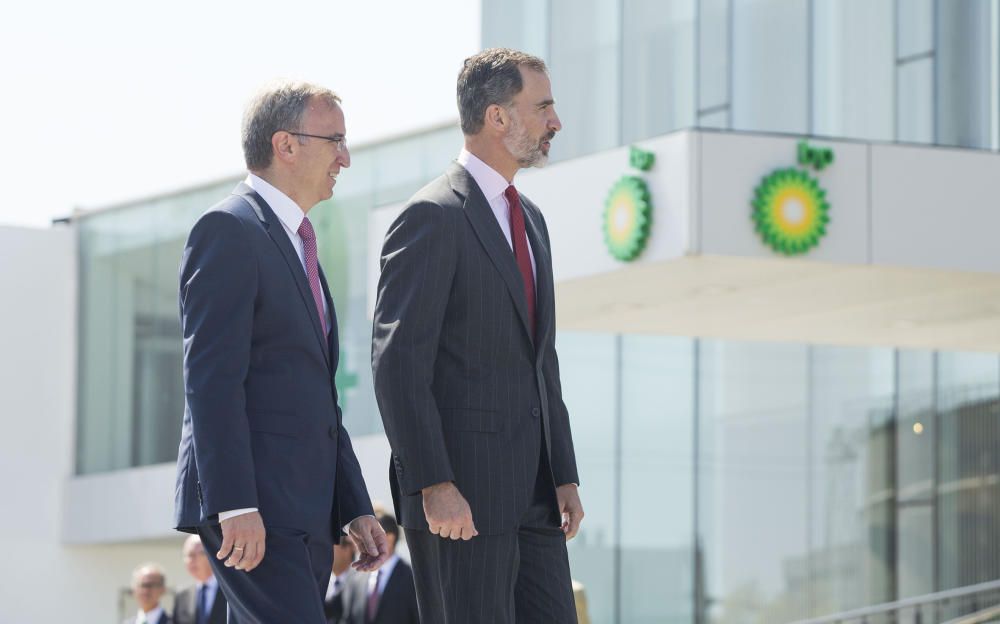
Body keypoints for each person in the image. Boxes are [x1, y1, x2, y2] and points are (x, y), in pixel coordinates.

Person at [371, 47, 584, 623]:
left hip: (536, 500)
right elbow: (397, 366)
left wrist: (562, 472)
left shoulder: (532, 220)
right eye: (543, 107)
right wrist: (433, 482)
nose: (555, 122)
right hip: (459, 499)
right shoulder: (431, 217)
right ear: (498, 117)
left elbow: (542, 360)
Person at [174, 80, 389, 623]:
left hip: (303, 514)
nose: (345, 156)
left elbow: (318, 397)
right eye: (334, 139)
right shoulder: (228, 229)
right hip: (257, 511)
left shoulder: (300, 243)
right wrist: (235, 504)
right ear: (285, 145)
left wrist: (356, 506)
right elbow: (211, 382)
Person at [340, 511, 419, 623]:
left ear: (390, 539)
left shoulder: (412, 578)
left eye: (370, 533)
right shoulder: (355, 575)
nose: (362, 538)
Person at [173, 535, 226, 624]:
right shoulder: (182, 595)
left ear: (210, 555)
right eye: (187, 555)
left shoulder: (229, 591)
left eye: (194, 555)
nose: (190, 560)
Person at [325, 538, 358, 623]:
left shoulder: (359, 583)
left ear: (347, 549)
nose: (326, 552)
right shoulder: (322, 581)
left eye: (331, 547)